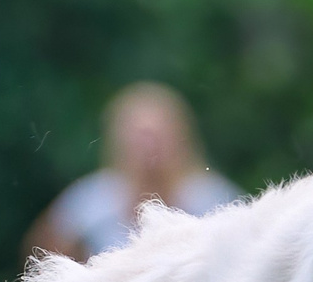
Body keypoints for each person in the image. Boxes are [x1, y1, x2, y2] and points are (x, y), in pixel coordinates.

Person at [28, 83, 242, 260]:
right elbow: (44, 253)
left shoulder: (213, 200)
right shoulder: (94, 199)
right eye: (140, 139)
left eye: (157, 138)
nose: (149, 149)